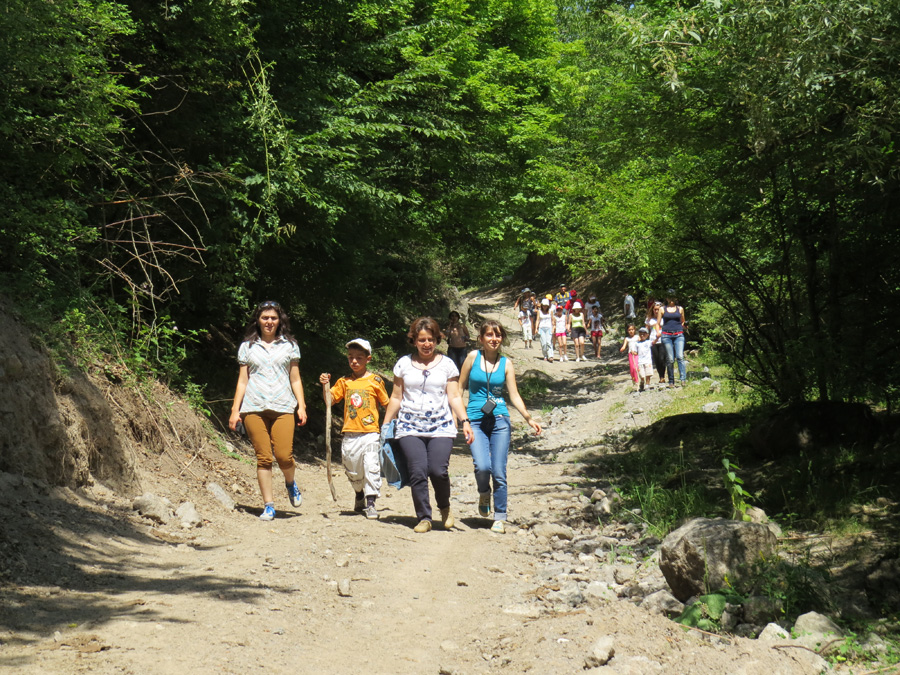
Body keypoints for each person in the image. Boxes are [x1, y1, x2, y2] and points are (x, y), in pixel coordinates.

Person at [383, 317, 473, 533]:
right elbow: (396, 397)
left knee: (438, 470)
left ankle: (445, 507)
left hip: (441, 426)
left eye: (430, 339)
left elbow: (454, 396)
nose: (426, 344)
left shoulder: (447, 364)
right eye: (422, 340)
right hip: (409, 427)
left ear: (437, 340)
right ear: (414, 340)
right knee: (418, 471)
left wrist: (464, 420)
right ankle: (424, 517)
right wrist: (386, 424)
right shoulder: (403, 364)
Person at [459, 321, 541, 533]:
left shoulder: (506, 364)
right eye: (489, 335)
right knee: (482, 466)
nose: (493, 339)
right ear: (481, 338)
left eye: (497, 335)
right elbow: (459, 388)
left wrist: (528, 418)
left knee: (498, 471)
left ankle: (500, 516)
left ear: (502, 338)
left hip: (500, 419)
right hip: (475, 419)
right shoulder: (472, 358)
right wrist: (457, 417)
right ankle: (484, 492)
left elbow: (514, 395)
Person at [229, 300, 307, 521]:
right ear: (258, 320)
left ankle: (290, 483)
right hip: (254, 406)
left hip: (283, 405)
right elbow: (242, 380)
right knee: (263, 458)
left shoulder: (290, 345)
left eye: (273, 318)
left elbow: (295, 378)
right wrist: (235, 410)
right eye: (265, 318)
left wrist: (301, 405)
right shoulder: (247, 347)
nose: (269, 322)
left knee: (283, 456)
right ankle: (269, 505)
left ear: (280, 321)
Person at [319, 338, 390, 520]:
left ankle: (371, 502)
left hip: (370, 433)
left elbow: (387, 404)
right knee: (352, 469)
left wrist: (390, 425)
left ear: (368, 359)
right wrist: (325, 385)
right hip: (350, 433)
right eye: (351, 357)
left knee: (371, 466)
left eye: (359, 357)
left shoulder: (375, 381)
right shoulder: (344, 381)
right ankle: (359, 493)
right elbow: (330, 400)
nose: (354, 361)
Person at [659, 289, 687, 387]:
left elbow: (683, 321)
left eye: (672, 297)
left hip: (679, 334)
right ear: (666, 298)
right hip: (666, 335)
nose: (671, 299)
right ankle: (671, 381)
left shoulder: (680, 309)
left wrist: (685, 325)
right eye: (669, 297)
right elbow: (658, 323)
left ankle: (683, 379)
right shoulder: (662, 309)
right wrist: (658, 332)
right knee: (670, 359)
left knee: (680, 356)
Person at [645, 301, 666, 387]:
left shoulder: (664, 318)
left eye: (658, 309)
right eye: (655, 309)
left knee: (662, 358)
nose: (656, 311)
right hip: (653, 341)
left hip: (663, 340)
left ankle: (663, 375)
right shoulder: (649, 319)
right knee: (656, 359)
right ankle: (661, 376)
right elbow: (646, 330)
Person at [619, 324, 640, 388]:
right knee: (632, 368)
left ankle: (638, 380)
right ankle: (634, 380)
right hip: (630, 354)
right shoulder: (627, 338)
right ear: (627, 331)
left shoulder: (637, 337)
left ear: (634, 330)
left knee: (636, 367)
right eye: (629, 330)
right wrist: (622, 349)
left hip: (637, 354)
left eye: (632, 329)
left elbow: (641, 343)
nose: (631, 331)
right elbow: (624, 346)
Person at [536, 298, 555, 362]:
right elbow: (538, 320)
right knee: (543, 343)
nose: (545, 307)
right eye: (544, 305)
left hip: (549, 328)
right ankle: (545, 355)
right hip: (541, 328)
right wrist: (536, 328)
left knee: (549, 342)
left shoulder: (550, 311)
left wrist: (553, 327)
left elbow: (552, 320)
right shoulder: (539, 311)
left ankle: (550, 356)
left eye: (546, 306)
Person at [636, 327, 654, 392]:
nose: (642, 335)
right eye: (640, 334)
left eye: (644, 334)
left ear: (647, 335)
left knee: (648, 374)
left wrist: (657, 337)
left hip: (648, 361)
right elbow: (635, 351)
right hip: (640, 361)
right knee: (642, 374)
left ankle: (647, 384)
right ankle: (642, 381)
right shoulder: (637, 343)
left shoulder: (648, 342)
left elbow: (654, 342)